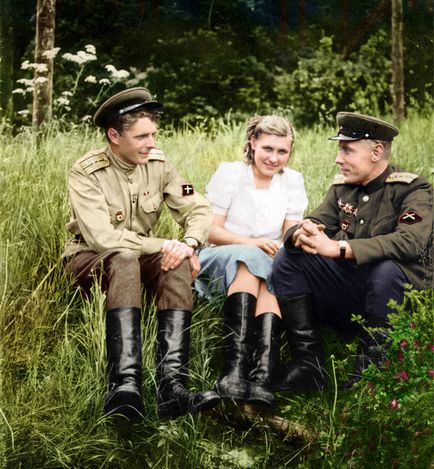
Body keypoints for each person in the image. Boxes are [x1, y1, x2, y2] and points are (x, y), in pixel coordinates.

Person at [62, 87, 220, 420]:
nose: (151, 143)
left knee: (175, 264)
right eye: (141, 136)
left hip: (137, 258)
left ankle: (172, 388)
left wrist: (189, 244)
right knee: (123, 257)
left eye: (153, 134)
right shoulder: (85, 172)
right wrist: (164, 244)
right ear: (114, 135)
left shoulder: (160, 164)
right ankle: (124, 387)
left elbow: (198, 204)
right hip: (90, 259)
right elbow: (104, 238)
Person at [272, 111, 433, 391]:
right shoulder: (343, 190)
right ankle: (309, 365)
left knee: (386, 270)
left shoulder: (413, 190)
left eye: (347, 150)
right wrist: (302, 233)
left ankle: (370, 373)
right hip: (356, 291)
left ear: (377, 151)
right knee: (289, 257)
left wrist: (339, 248)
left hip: (399, 298)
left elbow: (410, 241)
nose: (338, 159)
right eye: (339, 150)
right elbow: (313, 221)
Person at [194, 115, 308, 408]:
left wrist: (301, 238)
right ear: (253, 143)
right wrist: (254, 243)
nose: (274, 158)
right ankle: (235, 368)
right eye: (268, 148)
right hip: (222, 255)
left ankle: (262, 376)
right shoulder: (231, 174)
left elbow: (289, 233)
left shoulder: (292, 181)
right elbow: (212, 231)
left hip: (268, 259)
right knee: (249, 258)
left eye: (282, 151)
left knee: (276, 266)